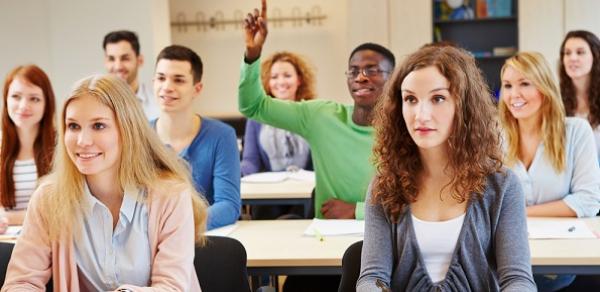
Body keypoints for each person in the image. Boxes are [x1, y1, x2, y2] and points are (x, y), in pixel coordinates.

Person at [1, 74, 206, 290]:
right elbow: (21, 282)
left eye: (98, 126)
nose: (82, 141)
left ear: (128, 130)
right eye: (73, 126)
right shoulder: (49, 199)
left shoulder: (170, 195)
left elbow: (171, 288)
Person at [357, 45, 535, 291]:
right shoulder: (385, 184)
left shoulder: (502, 185)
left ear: (463, 106)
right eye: (410, 99)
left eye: (438, 98)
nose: (421, 115)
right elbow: (371, 278)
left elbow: (517, 280)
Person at [240, 0, 395, 220]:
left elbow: (418, 203)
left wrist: (356, 211)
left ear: (394, 78)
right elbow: (252, 106)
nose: (361, 77)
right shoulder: (322, 116)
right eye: (353, 71)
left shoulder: (406, 129)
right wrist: (252, 53)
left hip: (387, 236)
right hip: (328, 236)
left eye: (372, 70)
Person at [499, 51, 600, 291]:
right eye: (508, 85)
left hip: (564, 260)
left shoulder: (576, 131)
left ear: (544, 88)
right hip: (506, 259)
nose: (514, 95)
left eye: (525, 83)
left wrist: (520, 213)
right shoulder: (494, 136)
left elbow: (588, 201)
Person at [152, 45, 241, 230]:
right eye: (161, 78)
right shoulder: (138, 135)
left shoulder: (222, 136)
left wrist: (178, 226)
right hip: (149, 243)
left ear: (197, 89)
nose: (167, 87)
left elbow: (228, 205)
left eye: (178, 80)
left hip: (200, 240)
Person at [241, 51, 314, 176]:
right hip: (272, 191)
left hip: (307, 190)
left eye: (287, 75)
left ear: (299, 80)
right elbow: (251, 163)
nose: (281, 82)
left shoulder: (313, 113)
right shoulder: (256, 118)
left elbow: (322, 162)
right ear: (268, 83)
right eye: (274, 77)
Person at [0, 65, 56, 227]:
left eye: (34, 99)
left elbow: (59, 209)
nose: (23, 106)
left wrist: (9, 218)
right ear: (6, 99)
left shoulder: (61, 146)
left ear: (47, 104)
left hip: (49, 243)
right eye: (16, 96)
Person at [558, 30, 600, 158]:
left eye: (580, 52)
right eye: (567, 53)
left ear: (595, 56)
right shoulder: (554, 98)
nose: (573, 58)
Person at [103, 30, 160, 120]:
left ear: (140, 60)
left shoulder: (158, 106)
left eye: (125, 58)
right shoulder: (95, 103)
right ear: (105, 62)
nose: (118, 67)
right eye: (111, 59)